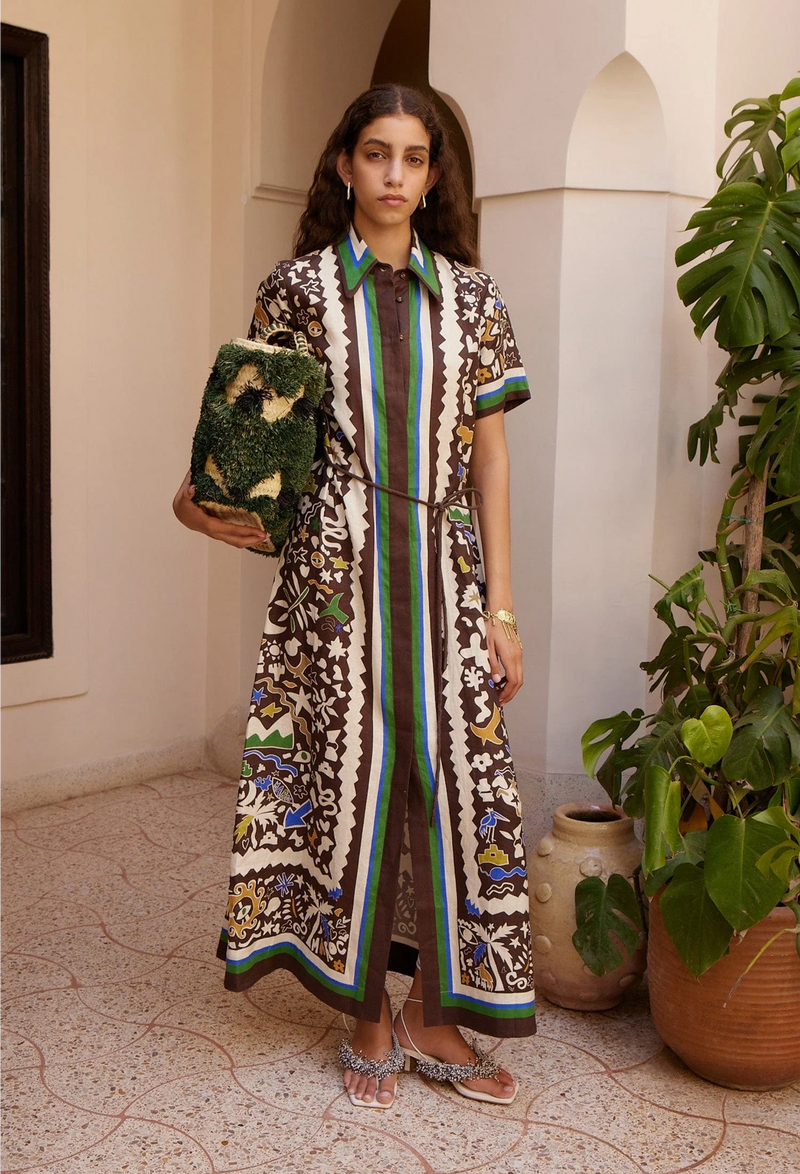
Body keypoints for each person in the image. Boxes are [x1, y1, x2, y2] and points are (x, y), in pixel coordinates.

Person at [173, 83, 536, 1111]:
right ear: (343, 166)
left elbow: (490, 459)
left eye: (411, 158)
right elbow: (248, 454)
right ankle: (367, 1011)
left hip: (447, 577)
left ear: (431, 177)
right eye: (373, 153)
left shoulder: (473, 300)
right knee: (356, 785)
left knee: (457, 791)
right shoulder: (291, 291)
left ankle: (435, 1010)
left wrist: (502, 609)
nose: (390, 174)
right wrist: (209, 498)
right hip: (333, 589)